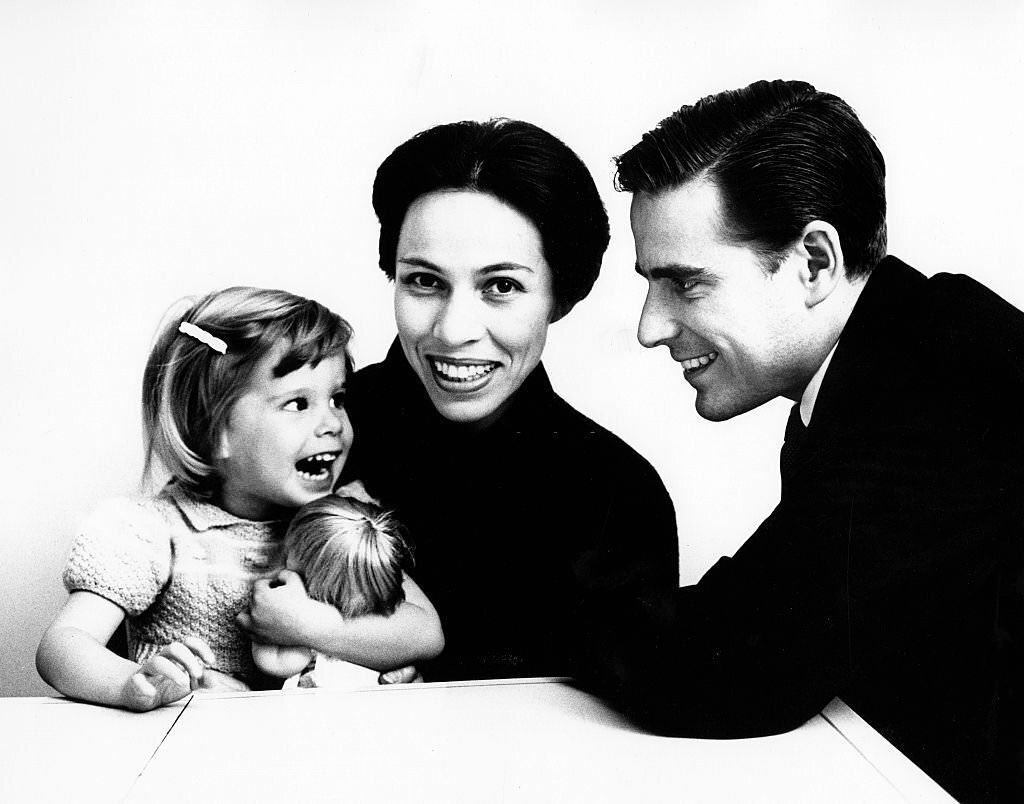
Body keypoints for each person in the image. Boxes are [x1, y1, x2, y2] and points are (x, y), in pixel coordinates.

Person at [576, 79, 1024, 802]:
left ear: (814, 262)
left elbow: (734, 669)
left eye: (685, 285)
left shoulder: (942, 385)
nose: (650, 327)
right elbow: (767, 610)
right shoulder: (898, 354)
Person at [239, 118, 679, 682]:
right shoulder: (305, 436)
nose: (454, 331)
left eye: (501, 287)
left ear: (560, 297)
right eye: (424, 281)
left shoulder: (618, 494)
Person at [36, 287, 443, 711]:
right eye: (298, 403)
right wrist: (136, 684)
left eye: (337, 399)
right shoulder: (153, 531)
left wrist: (311, 626)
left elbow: (425, 631)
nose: (333, 424)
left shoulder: (336, 520)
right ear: (216, 429)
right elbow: (63, 647)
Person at [252, 493, 424, 688]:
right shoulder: (383, 621)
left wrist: (292, 632)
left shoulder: (303, 622)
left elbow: (277, 664)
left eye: (287, 556)